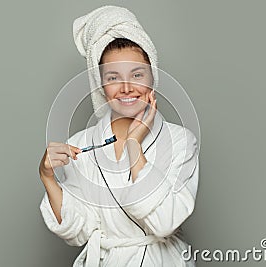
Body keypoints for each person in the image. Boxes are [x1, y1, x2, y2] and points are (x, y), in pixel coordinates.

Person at [38, 6, 199, 267]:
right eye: (113, 77)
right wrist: (47, 177)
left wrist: (135, 145)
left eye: (137, 74)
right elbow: (78, 229)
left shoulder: (181, 141)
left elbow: (165, 223)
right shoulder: (81, 144)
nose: (126, 87)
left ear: (152, 77)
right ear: (100, 84)